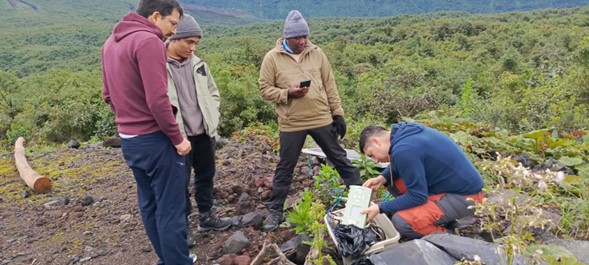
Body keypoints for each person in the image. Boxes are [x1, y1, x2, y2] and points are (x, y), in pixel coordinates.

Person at [101, 0, 196, 263]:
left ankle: (167, 259)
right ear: (156, 16)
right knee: (171, 209)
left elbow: (108, 95)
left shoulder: (110, 43)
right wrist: (177, 139)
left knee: (150, 204)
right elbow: (158, 100)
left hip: (129, 141)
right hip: (156, 140)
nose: (173, 32)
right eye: (172, 24)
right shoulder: (149, 42)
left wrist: (129, 120)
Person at [258, 10, 362, 232]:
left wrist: (338, 114)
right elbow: (265, 89)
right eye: (297, 38)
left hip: (320, 117)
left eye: (305, 36)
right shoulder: (272, 58)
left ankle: (361, 199)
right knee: (285, 166)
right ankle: (275, 211)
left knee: (340, 158)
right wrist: (287, 93)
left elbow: (329, 85)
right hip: (291, 122)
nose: (302, 41)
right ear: (287, 37)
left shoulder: (317, 53)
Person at [165, 14, 232, 240]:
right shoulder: (158, 65)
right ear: (175, 39)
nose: (193, 48)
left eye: (196, 43)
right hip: (177, 137)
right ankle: (182, 229)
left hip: (204, 133)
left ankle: (206, 217)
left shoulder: (200, 65)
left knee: (206, 176)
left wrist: (213, 114)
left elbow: (213, 92)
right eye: (189, 42)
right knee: (179, 184)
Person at [358, 122, 484, 239]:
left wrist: (380, 208)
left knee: (402, 222)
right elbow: (402, 163)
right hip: (451, 185)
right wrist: (382, 178)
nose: (375, 161)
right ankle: (440, 218)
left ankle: (451, 237)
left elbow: (417, 197)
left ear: (376, 142)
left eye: (371, 154)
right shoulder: (404, 132)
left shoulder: (403, 150)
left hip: (466, 197)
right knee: (392, 181)